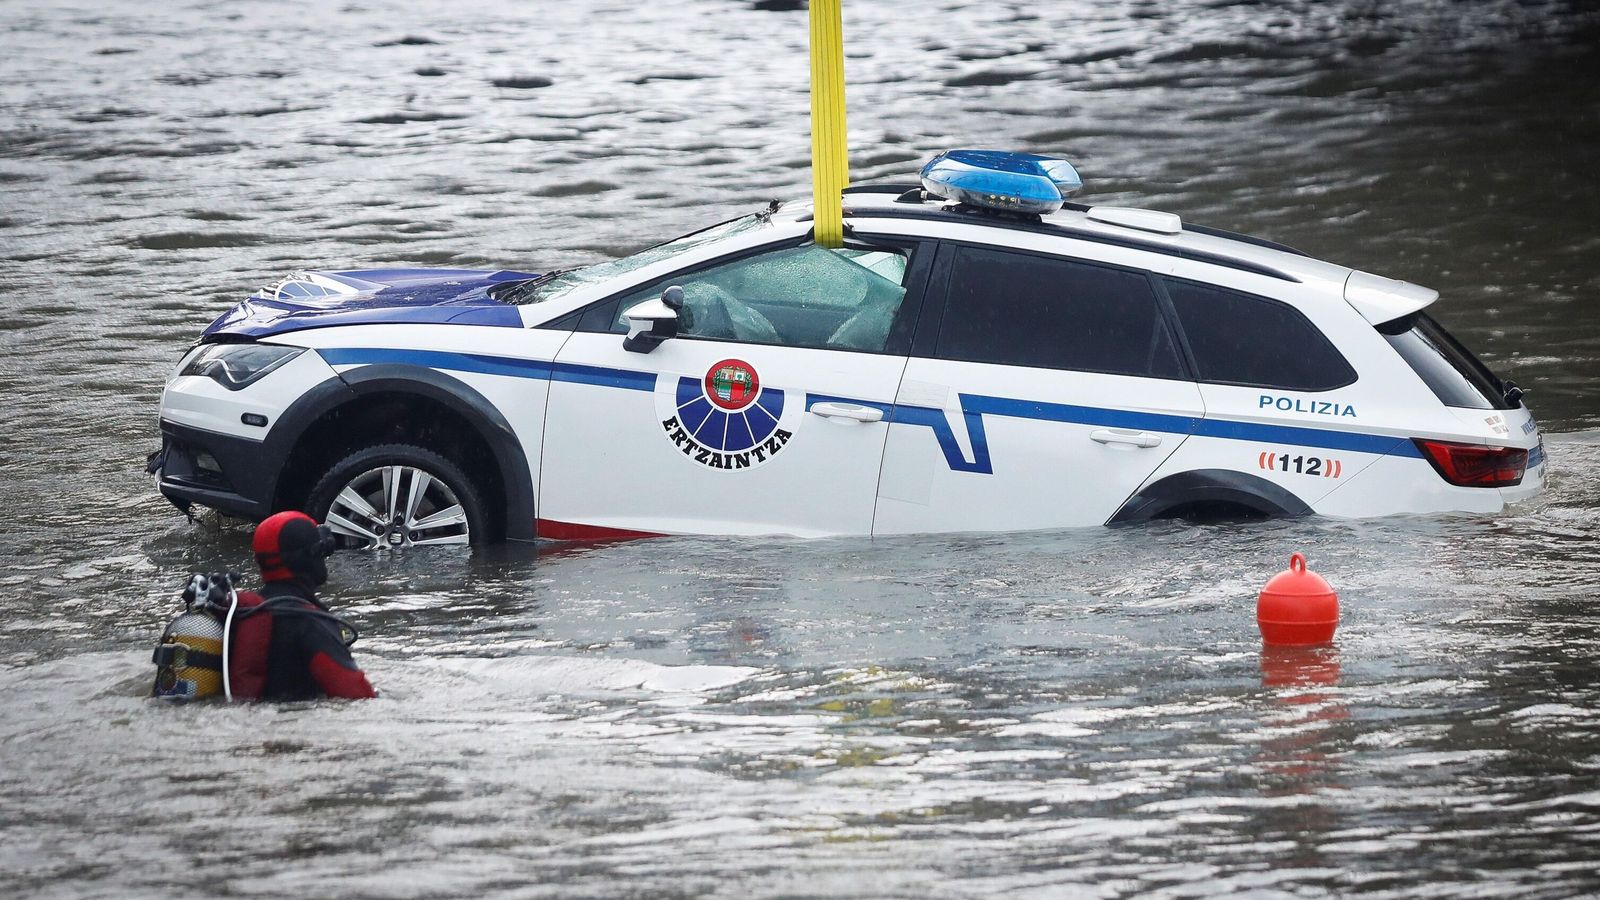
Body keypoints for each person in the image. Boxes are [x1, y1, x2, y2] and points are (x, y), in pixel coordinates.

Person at [226, 510, 376, 701]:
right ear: (310, 557)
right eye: (321, 551)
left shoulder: (243, 612)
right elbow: (357, 695)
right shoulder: (310, 622)